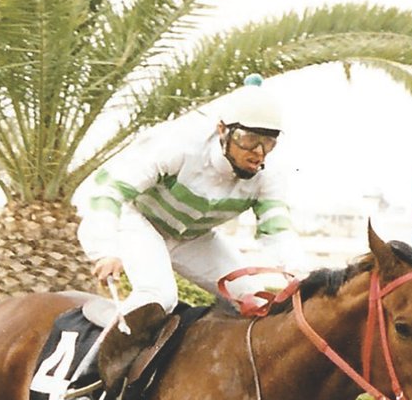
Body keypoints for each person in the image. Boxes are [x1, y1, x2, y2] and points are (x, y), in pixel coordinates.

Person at [77, 74, 307, 337]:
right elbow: (109, 191)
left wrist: (300, 274)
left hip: (194, 237)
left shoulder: (269, 176)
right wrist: (105, 249)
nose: (258, 152)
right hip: (138, 221)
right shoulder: (179, 146)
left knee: (254, 299)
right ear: (223, 130)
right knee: (159, 297)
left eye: (268, 142)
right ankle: (91, 362)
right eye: (248, 139)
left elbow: (277, 231)